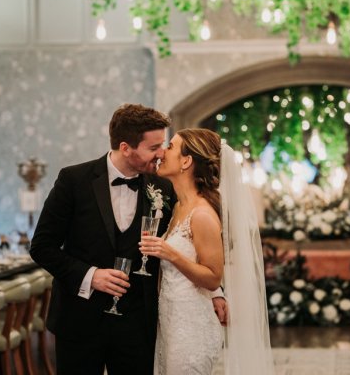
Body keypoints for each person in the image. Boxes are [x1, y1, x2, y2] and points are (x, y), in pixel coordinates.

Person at [29, 104, 226, 375]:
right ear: (125, 147)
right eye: (154, 147)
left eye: (164, 146)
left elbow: (191, 240)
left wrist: (214, 292)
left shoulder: (164, 187)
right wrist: (91, 276)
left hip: (138, 323)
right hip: (79, 320)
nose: (161, 154)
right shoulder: (74, 180)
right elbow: (41, 247)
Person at [140, 128, 274, 374]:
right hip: (170, 321)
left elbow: (213, 277)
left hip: (191, 328)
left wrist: (170, 254)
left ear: (186, 161)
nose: (162, 153)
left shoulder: (201, 215)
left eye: (170, 147)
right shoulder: (179, 206)